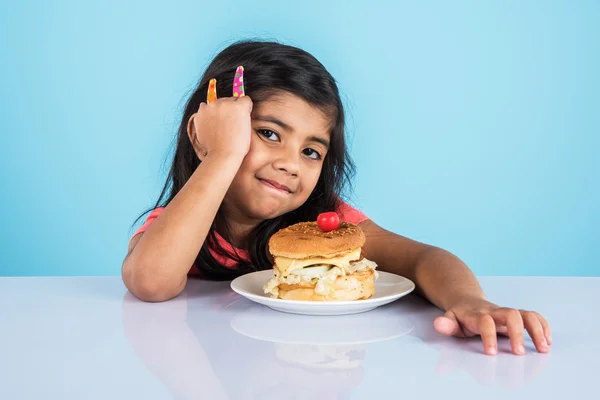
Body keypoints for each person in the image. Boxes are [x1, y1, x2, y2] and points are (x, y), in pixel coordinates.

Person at [122, 40, 552, 357]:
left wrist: (470, 302)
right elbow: (151, 283)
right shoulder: (177, 222)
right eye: (269, 133)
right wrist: (223, 154)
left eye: (311, 151)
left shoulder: (327, 227)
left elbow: (424, 259)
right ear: (204, 132)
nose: (292, 163)